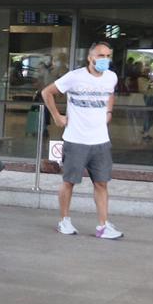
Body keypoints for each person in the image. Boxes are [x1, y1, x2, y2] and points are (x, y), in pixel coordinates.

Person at [42, 41, 123, 239]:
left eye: (108, 56)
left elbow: (110, 94)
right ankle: (64, 221)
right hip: (76, 140)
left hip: (100, 141)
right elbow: (47, 92)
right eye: (100, 55)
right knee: (69, 182)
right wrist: (56, 116)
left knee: (102, 183)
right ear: (90, 58)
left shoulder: (111, 77)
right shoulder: (75, 77)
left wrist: (109, 111)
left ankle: (103, 226)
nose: (104, 60)